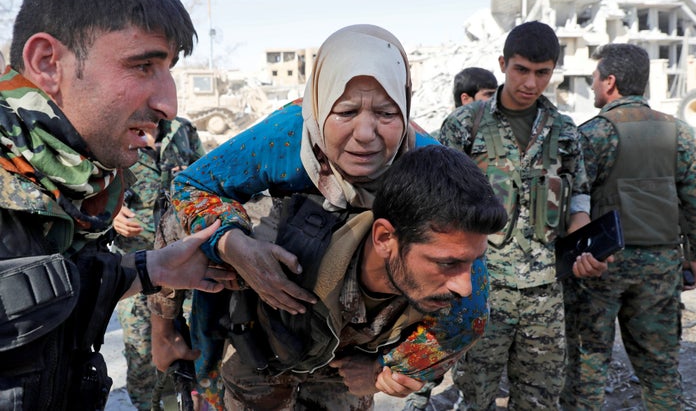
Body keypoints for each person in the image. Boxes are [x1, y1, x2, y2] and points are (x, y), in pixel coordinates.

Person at [150, 24, 495, 409]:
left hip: (345, 346)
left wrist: (387, 368)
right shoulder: (287, 136)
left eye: (386, 112)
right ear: (317, 105)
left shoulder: (424, 169)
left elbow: (471, 308)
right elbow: (189, 190)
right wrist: (236, 247)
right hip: (258, 335)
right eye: (345, 111)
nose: (366, 133)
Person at [0, 0, 234, 411]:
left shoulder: (65, 184)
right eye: (142, 66)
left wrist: (150, 269)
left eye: (169, 69)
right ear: (48, 62)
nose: (169, 102)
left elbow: (51, 291)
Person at [218, 145, 507, 408]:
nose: (465, 286)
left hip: (338, 380)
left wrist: (383, 369)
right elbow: (187, 239)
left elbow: (465, 326)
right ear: (384, 238)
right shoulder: (280, 236)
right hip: (259, 367)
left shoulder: (463, 311)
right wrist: (170, 324)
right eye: (447, 263)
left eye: (474, 260)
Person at [437, 20, 608, 410]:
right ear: (503, 63)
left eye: (542, 72)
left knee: (539, 399)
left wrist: (583, 235)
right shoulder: (465, 125)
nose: (530, 83)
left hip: (545, 292)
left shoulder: (564, 131)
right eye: (521, 70)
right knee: (474, 396)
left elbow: (578, 193)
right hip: (482, 286)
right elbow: (438, 200)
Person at [561, 43, 696, 410]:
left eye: (595, 77)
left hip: (602, 267)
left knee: (587, 367)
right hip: (661, 268)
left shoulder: (593, 134)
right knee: (661, 371)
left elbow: (572, 202)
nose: (594, 84)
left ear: (610, 82)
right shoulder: (677, 132)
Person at [111, 117, 205, 410]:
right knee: (142, 355)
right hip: (135, 270)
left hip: (183, 268)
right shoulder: (110, 131)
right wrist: (110, 215)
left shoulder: (183, 131)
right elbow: (84, 196)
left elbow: (205, 181)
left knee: (194, 349)